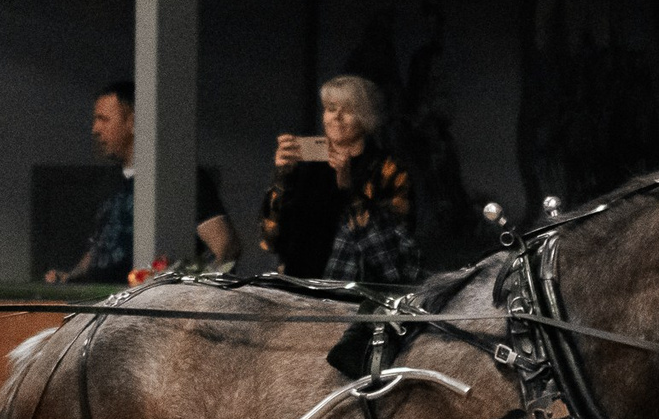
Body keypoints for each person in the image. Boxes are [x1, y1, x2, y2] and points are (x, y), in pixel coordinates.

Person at [47, 81, 239, 285]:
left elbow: (226, 247)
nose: (95, 129)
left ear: (132, 122)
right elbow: (101, 249)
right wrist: (71, 276)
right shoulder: (111, 184)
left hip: (146, 302)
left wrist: (188, 290)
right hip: (105, 301)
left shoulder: (177, 179)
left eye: (104, 119)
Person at [261, 75, 422, 284]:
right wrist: (282, 178)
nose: (336, 117)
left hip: (349, 290)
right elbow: (270, 240)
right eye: (330, 108)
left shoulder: (388, 169)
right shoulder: (306, 165)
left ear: (366, 117)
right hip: (295, 286)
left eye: (347, 110)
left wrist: (348, 189)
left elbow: (391, 254)